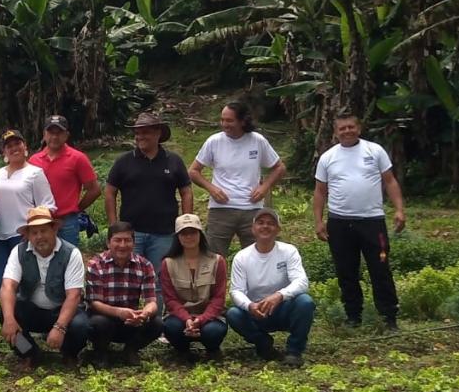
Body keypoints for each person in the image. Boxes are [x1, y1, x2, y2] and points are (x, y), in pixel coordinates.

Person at [313, 113, 406, 331]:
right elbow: (319, 192)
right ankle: (353, 316)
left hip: (373, 223)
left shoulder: (375, 151)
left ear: (359, 128)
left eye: (351, 127)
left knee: (380, 268)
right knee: (346, 271)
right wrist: (318, 221)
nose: (347, 131)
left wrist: (400, 210)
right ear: (335, 132)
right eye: (342, 128)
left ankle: (388, 317)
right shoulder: (328, 157)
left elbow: (390, 181)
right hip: (339, 223)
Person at [0, 206, 92, 369]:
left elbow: (74, 295)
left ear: (54, 229)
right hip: (32, 309)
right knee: (5, 313)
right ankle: (28, 353)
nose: (39, 237)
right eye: (34, 233)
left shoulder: (71, 253)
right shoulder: (19, 251)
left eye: (44, 231)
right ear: (27, 235)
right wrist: (8, 319)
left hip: (61, 310)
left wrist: (60, 327)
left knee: (80, 325)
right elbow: (8, 286)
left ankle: (69, 354)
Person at [189, 101, 286, 255]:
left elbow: (279, 167)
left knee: (256, 256)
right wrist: (212, 189)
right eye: (222, 120)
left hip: (252, 209)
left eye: (229, 120)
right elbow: (193, 171)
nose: (224, 124)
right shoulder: (214, 141)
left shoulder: (257, 140)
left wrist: (264, 187)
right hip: (221, 209)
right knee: (213, 257)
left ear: (242, 121)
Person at [104, 112, 193, 276]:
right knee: (127, 277)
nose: (140, 137)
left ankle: (156, 304)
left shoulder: (173, 160)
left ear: (158, 133)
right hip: (131, 233)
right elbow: (110, 192)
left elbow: (186, 191)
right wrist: (113, 225)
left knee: (159, 279)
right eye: (137, 133)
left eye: (145, 132)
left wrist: (186, 221)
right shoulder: (124, 161)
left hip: (164, 232)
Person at [225, 208, 315, 367]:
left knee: (305, 302)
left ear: (278, 229)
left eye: (271, 223)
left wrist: (279, 295)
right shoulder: (242, 257)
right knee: (233, 314)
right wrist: (250, 305)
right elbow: (236, 290)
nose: (265, 227)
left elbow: (301, 281)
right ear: (253, 229)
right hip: (257, 311)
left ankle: (294, 351)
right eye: (260, 223)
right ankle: (264, 345)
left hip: (283, 307)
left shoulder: (289, 251)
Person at [84, 222, 164, 368]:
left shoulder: (145, 265)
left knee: (157, 323)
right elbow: (94, 303)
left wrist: (144, 314)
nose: (122, 245)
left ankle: (131, 350)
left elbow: (151, 301)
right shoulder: (95, 265)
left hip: (131, 320)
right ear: (108, 242)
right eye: (117, 240)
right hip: (105, 318)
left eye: (127, 240)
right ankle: (101, 352)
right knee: (97, 323)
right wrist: (119, 312)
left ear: (133, 243)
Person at [0, 129, 56, 302]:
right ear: (4, 151)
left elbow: (48, 204)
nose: (14, 148)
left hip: (22, 236)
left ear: (25, 146)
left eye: (17, 144)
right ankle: (5, 318)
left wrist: (34, 228)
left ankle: (23, 321)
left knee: (23, 282)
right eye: (9, 146)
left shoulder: (35, 173)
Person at [160, 214, 228, 362]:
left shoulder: (217, 261)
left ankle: (212, 350)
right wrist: (187, 319)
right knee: (171, 327)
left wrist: (201, 319)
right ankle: (182, 351)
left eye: (193, 232)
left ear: (200, 234)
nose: (189, 237)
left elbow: (218, 298)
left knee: (213, 332)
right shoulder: (168, 263)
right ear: (177, 237)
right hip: (179, 316)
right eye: (184, 233)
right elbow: (170, 299)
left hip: (210, 317)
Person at [29, 115, 101, 246]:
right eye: (51, 133)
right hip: (40, 221)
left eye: (59, 133)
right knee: (41, 261)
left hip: (66, 221)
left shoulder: (78, 158)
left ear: (66, 135)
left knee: (68, 261)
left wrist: (76, 208)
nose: (54, 137)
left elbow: (94, 190)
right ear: (44, 134)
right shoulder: (34, 160)